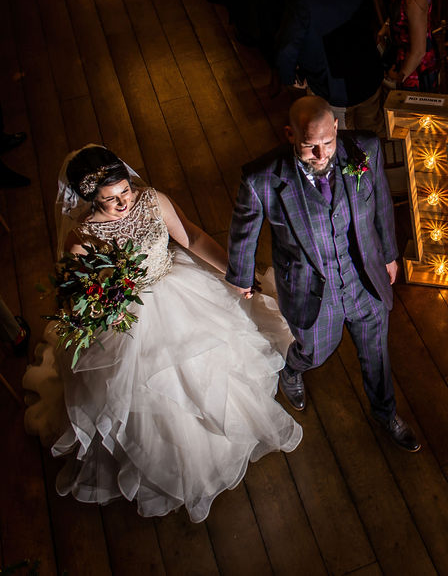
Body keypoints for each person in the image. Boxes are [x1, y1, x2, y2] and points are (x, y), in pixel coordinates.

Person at [46, 146, 302, 522]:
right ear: (89, 200)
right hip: (131, 321)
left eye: (125, 192)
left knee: (212, 367)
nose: (123, 203)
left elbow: (192, 238)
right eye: (109, 200)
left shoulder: (152, 201)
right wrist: (103, 305)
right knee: (153, 396)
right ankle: (177, 459)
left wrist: (235, 275)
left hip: (179, 289)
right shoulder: (83, 238)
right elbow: (80, 296)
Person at [226, 96, 420, 452]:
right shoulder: (262, 179)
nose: (320, 154)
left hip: (364, 277)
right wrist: (240, 275)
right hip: (311, 286)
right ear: (290, 134)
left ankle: (386, 413)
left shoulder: (366, 150)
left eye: (327, 142)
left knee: (376, 352)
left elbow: (379, 204)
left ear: (336, 128)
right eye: (309, 146)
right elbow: (244, 229)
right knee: (316, 351)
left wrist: (389, 255)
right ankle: (292, 367)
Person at [276, 0, 385, 134]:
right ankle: (374, 166)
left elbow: (289, 43)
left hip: (329, 87)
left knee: (343, 144)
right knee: (371, 135)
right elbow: (373, 24)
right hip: (368, 77)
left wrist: (289, 77)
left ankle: (355, 167)